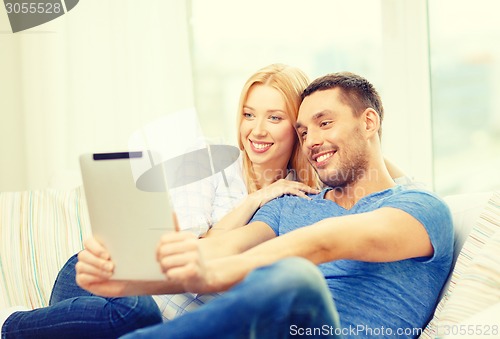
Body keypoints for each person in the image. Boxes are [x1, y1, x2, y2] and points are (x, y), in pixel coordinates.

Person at [74, 71, 454, 338]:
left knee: (296, 277)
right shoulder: (291, 204)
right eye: (303, 131)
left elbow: (326, 242)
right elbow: (217, 247)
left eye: (325, 123)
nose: (312, 140)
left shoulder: (420, 206)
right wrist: (135, 269)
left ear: (369, 122)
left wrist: (211, 275)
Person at [0, 64, 319, 339]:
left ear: (297, 128)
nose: (256, 130)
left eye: (274, 117)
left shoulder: (293, 199)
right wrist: (255, 199)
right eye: (249, 115)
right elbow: (186, 248)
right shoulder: (207, 160)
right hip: (104, 279)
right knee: (139, 311)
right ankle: (8, 325)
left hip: (157, 321)